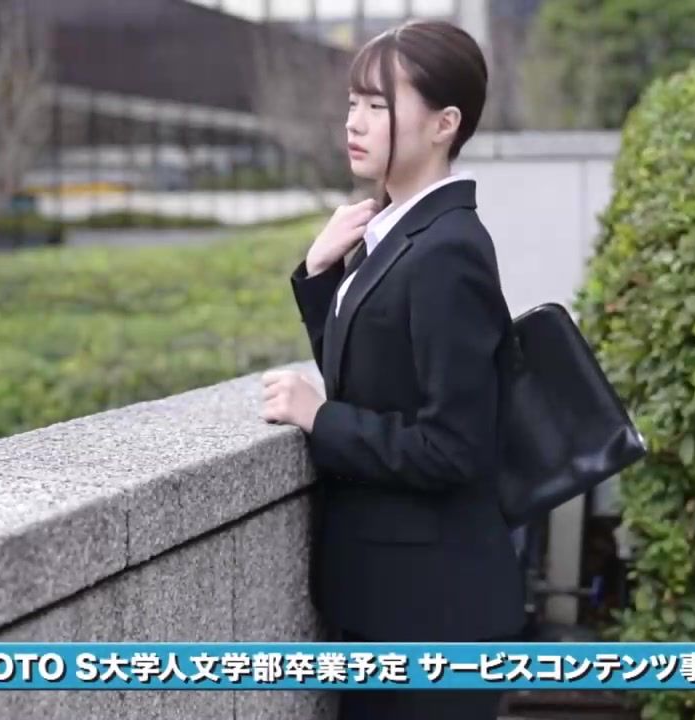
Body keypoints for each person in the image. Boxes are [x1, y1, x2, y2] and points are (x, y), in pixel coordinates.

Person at [260, 18, 525, 720]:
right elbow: (376, 380)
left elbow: (454, 447)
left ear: (444, 124)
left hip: (436, 616)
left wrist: (320, 418)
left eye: (378, 106)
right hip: (398, 603)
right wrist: (321, 274)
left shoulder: (448, 250)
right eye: (353, 103)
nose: (354, 122)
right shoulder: (398, 234)